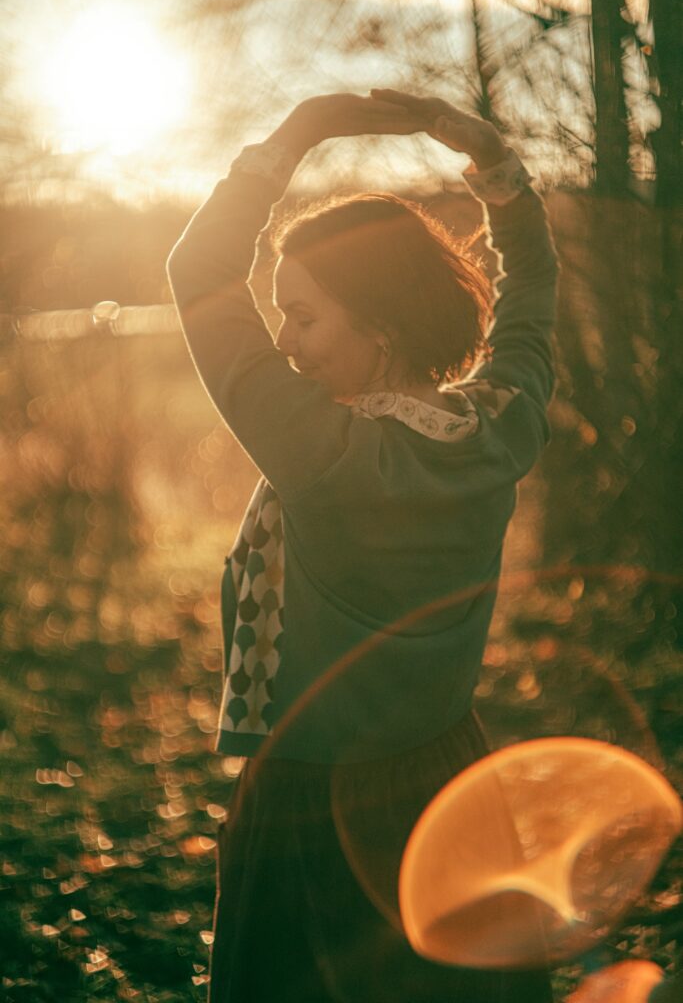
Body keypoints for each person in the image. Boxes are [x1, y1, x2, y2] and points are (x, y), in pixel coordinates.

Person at [167, 88, 560, 1003]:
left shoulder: (325, 454)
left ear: (378, 326)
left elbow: (196, 272)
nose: (282, 342)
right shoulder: (499, 426)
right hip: (451, 783)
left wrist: (297, 135)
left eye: (303, 316)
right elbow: (530, 302)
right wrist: (499, 176)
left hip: (311, 805)